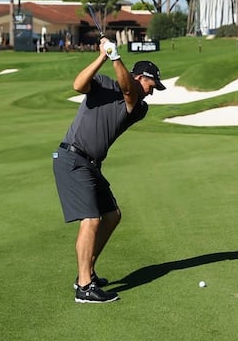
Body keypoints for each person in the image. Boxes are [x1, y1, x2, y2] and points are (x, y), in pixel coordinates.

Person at [52, 37, 165, 303]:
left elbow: (128, 90)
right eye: (152, 85)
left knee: (111, 215)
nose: (153, 91)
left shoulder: (138, 106)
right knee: (91, 220)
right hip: (72, 158)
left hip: (91, 164)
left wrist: (115, 57)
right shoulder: (102, 83)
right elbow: (78, 85)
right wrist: (103, 56)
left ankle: (86, 270)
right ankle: (84, 287)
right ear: (141, 77)